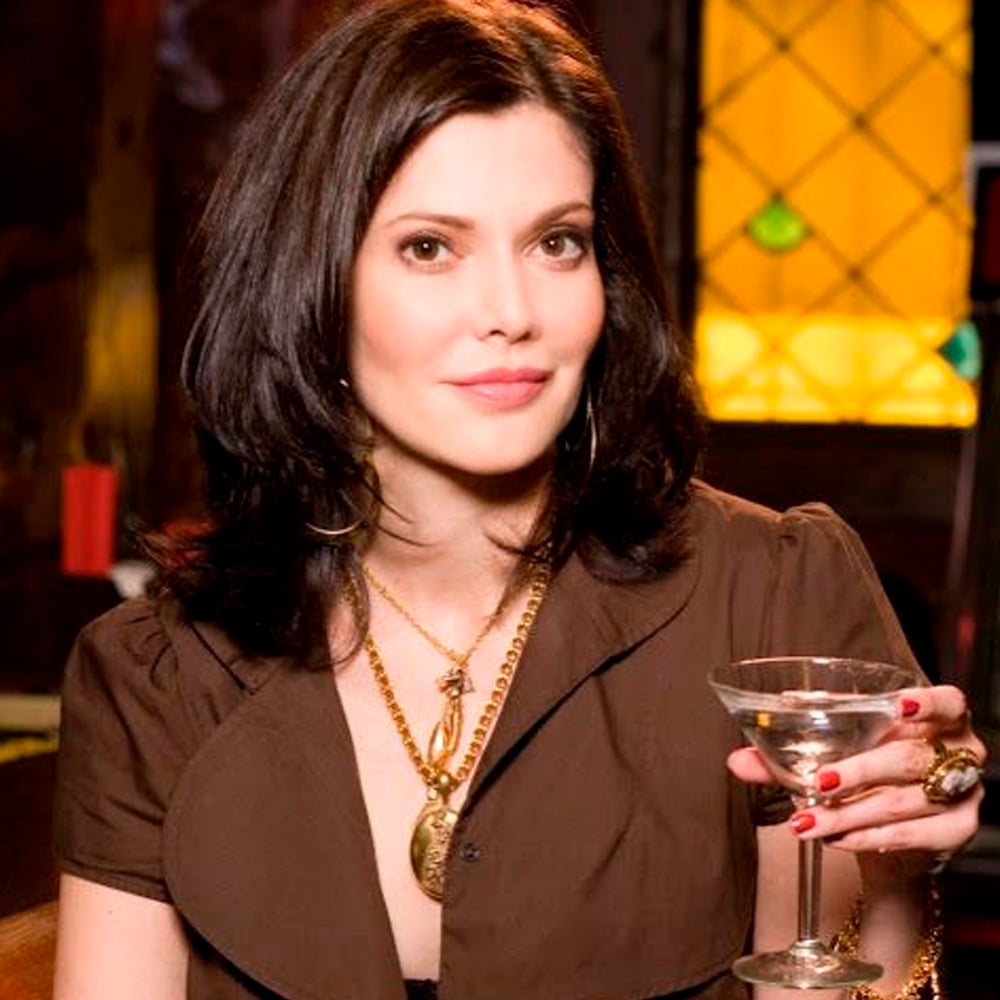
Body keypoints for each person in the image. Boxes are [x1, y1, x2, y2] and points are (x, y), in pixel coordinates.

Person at [51, 1, 985, 998]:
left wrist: (887, 871)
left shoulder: (769, 594)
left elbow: (845, 978)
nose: (511, 313)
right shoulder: (152, 676)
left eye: (556, 243)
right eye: (429, 247)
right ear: (309, 284)